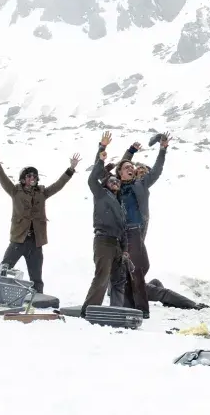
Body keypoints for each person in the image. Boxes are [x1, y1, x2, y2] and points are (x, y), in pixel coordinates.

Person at [0, 143, 80, 295]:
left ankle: (37, 300)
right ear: (23, 179)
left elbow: (58, 185)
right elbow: (2, 178)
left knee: (36, 277)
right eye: (29, 175)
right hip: (18, 240)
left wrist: (71, 169)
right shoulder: (15, 191)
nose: (33, 178)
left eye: (35, 176)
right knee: (4, 269)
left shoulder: (42, 193)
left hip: (36, 242)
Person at [82, 131, 130, 316]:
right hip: (103, 241)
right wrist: (102, 151)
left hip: (117, 243)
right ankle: (89, 311)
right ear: (106, 184)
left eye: (117, 181)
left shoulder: (120, 204)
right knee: (102, 277)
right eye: (112, 180)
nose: (116, 181)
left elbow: (123, 229)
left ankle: (116, 311)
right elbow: (92, 178)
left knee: (119, 279)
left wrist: (125, 249)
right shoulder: (101, 194)